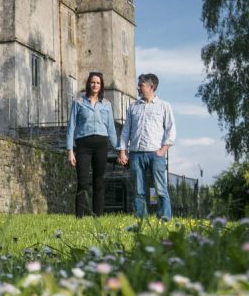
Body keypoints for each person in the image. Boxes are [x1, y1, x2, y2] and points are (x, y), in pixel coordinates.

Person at [118, 73, 176, 219]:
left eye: (141, 85)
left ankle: (164, 217)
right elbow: (126, 130)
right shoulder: (133, 107)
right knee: (139, 189)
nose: (138, 88)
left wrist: (163, 150)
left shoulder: (164, 106)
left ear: (151, 87)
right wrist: (123, 151)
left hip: (155, 154)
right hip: (136, 153)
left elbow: (171, 130)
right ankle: (141, 218)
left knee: (160, 188)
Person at [66, 71, 118, 217]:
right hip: (83, 146)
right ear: (88, 84)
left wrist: (120, 149)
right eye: (93, 82)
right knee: (82, 182)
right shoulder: (78, 102)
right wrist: (70, 150)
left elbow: (111, 128)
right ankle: (79, 216)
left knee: (99, 182)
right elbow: (71, 126)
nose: (95, 85)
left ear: (101, 86)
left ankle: (98, 216)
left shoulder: (106, 104)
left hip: (101, 145)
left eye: (98, 83)